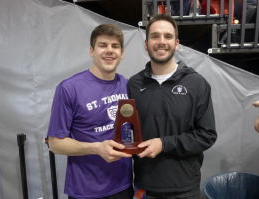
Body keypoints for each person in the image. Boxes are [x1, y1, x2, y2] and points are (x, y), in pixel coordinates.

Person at [127, 14, 217, 199]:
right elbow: (128, 132)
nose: (161, 42)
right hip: (144, 186)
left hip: (184, 189)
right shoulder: (133, 84)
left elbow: (207, 135)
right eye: (155, 36)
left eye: (167, 36)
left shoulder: (197, 84)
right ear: (146, 44)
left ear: (176, 44)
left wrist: (164, 144)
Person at [47, 24, 134, 199]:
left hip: (123, 186)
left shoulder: (128, 85)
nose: (109, 51)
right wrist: (96, 148)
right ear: (91, 51)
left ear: (122, 53)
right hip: (85, 191)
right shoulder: (69, 88)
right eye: (103, 45)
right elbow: (54, 143)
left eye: (115, 46)